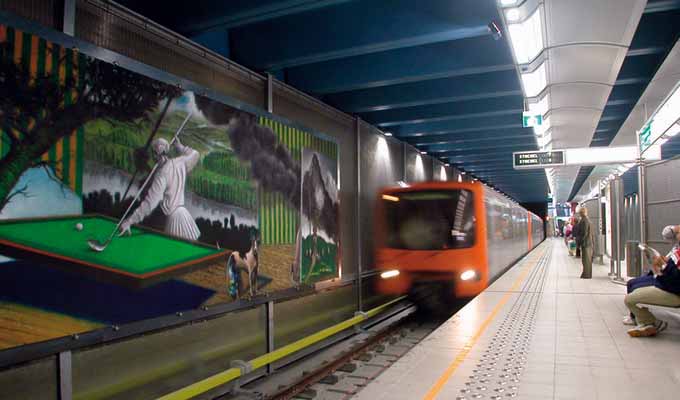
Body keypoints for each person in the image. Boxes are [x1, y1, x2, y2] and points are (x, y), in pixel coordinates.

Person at [119, 138, 201, 241]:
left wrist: (129, 221)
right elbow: (195, 154)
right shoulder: (180, 162)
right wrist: (180, 147)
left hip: (174, 219)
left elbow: (150, 203)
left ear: (155, 154)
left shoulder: (162, 174)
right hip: (183, 214)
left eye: (153, 154)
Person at [623, 225, 680, 337]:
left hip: (672, 290)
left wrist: (662, 267)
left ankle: (650, 322)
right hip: (667, 283)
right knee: (633, 284)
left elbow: (675, 280)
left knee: (630, 299)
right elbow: (667, 233)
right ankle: (644, 320)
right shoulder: (677, 249)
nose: (677, 236)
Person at [577, 208, 593, 278]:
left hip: (586, 243)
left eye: (580, 212)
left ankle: (586, 274)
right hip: (588, 242)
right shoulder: (587, 220)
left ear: (581, 213)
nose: (579, 214)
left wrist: (580, 242)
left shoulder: (584, 220)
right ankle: (586, 273)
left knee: (586, 259)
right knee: (587, 259)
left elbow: (584, 233)